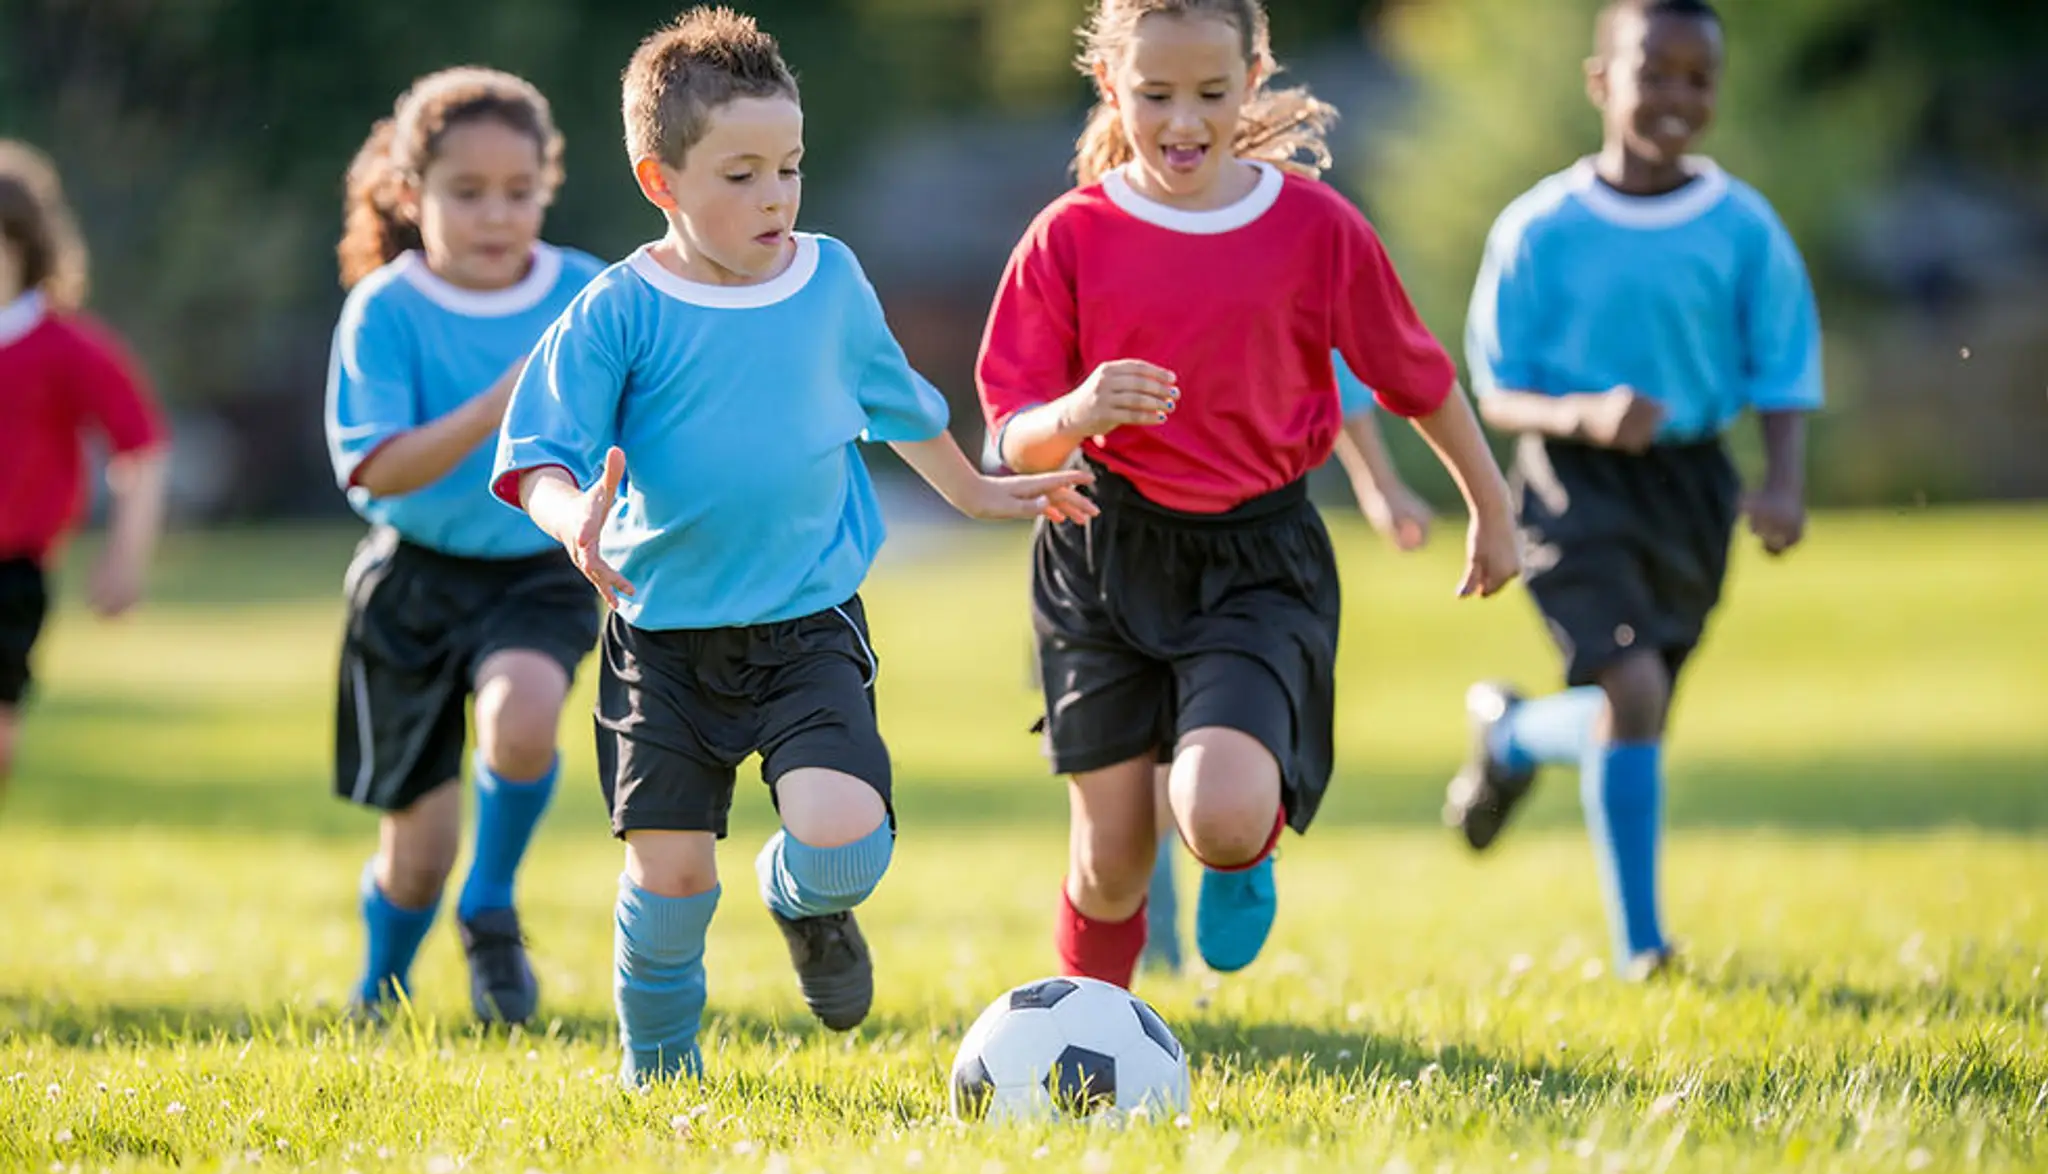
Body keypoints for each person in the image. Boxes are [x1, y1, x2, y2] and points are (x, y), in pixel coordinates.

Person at [492, 6, 1094, 1085]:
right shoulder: (618, 310)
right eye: (741, 175)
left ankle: (802, 902)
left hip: (805, 625)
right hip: (662, 640)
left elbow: (895, 402)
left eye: (790, 167)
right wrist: (568, 515)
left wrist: (973, 493)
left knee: (845, 842)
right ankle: (660, 1070)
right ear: (661, 181)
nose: (776, 195)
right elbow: (538, 453)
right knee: (672, 882)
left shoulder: (828, 281)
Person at [978, 0, 1520, 990]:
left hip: (1256, 562)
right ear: (1110, 86)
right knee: (1110, 865)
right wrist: (1078, 410)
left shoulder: (1315, 228)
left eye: (1211, 92)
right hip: (1100, 553)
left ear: (1253, 79)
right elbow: (1009, 436)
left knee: (1219, 815)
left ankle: (1243, 847)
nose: (1183, 121)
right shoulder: (1069, 236)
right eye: (1155, 95)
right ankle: (1094, 1035)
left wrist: (1490, 506)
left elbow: (1414, 373)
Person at [1443, 0, 1823, 979]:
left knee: (1638, 710)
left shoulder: (1741, 226)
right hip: (1568, 483)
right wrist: (1587, 415)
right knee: (1633, 688)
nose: (1675, 97)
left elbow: (1781, 362)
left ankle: (1512, 736)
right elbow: (1496, 389)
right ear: (1599, 80)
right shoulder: (1540, 228)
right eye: (1653, 73)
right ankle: (1643, 948)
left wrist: (1782, 483)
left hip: (1692, 487)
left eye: (1698, 78)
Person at [323, 67, 606, 1025]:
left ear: (548, 186)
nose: (496, 215)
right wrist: (494, 406)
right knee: (418, 855)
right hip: (413, 585)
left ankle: (491, 903)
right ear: (412, 195)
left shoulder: (586, 292)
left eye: (519, 192)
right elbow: (377, 469)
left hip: (538, 568)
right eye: (468, 192)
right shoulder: (385, 309)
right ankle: (379, 992)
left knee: (523, 716)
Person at [1141, 359, 1432, 974]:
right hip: (1105, 539)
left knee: (1194, 752)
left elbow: (1327, 357)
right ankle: (1151, 954)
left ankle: (1234, 845)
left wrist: (1378, 481)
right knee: (1126, 769)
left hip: (1241, 543)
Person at [0, 140, 169, 804]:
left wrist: (126, 555)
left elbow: (141, 446)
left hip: (11, 573)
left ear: (24, 249)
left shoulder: (65, 347)